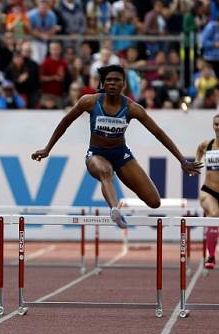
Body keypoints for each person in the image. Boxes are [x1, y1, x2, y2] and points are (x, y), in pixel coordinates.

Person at [32, 65, 202, 228]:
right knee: (106, 172)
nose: (112, 83)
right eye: (109, 80)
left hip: (121, 155)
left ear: (123, 84)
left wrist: (182, 160)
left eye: (116, 80)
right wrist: (48, 148)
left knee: (154, 202)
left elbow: (158, 133)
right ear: (103, 84)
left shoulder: (132, 108)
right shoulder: (89, 102)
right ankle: (115, 210)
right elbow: (65, 122)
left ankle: (118, 193)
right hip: (96, 154)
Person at [195, 114, 219, 270]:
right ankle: (211, 256)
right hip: (208, 190)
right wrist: (197, 163)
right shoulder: (207, 144)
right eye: (216, 124)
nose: (218, 127)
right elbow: (199, 150)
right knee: (214, 214)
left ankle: (211, 236)